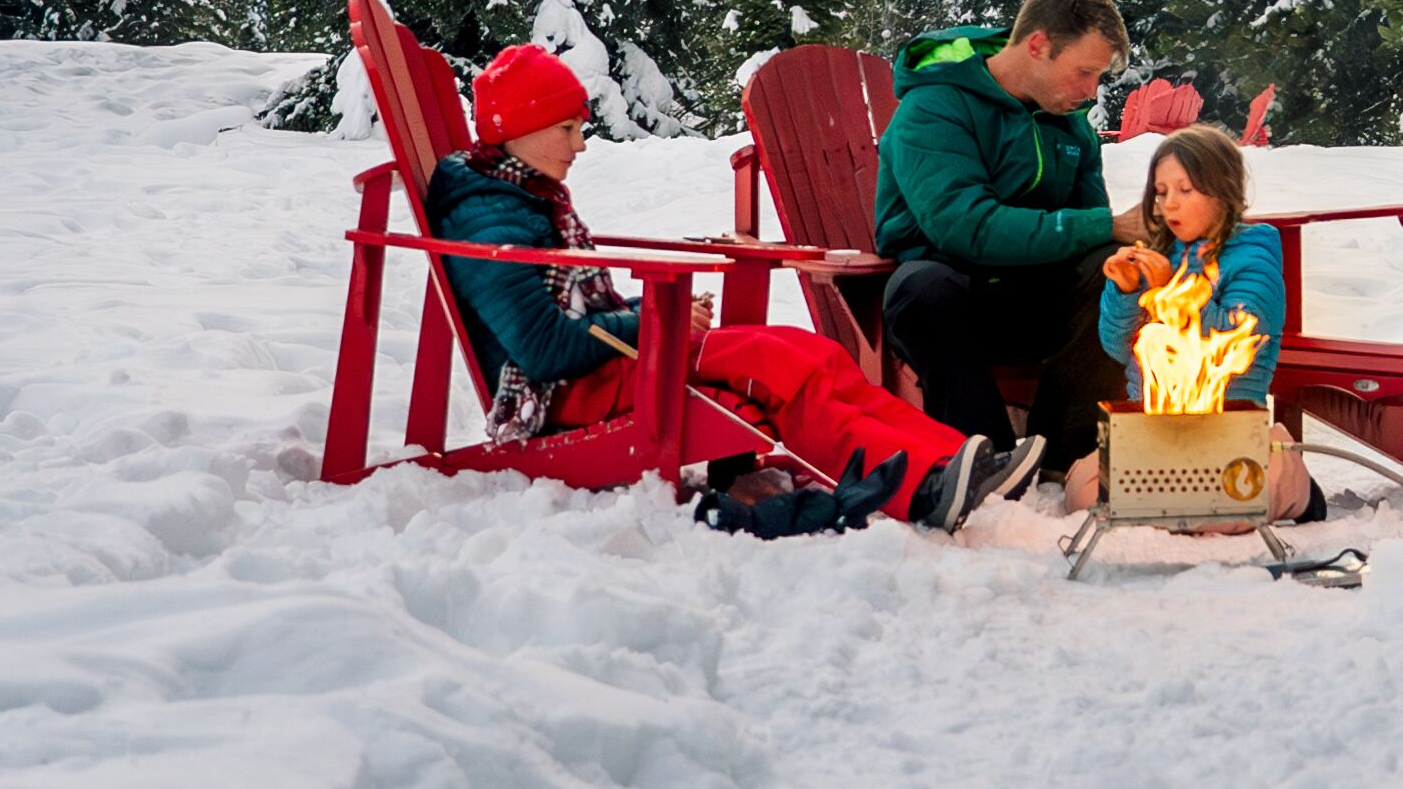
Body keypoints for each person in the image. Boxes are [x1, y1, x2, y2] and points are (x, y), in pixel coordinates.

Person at [428, 43, 1041, 533]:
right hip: (572, 394)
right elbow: (543, 350)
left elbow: (571, 322)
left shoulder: (519, 198)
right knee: (775, 363)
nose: (580, 144)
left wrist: (652, 317)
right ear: (521, 128)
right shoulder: (488, 216)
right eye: (565, 128)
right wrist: (652, 319)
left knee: (812, 352)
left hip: (612, 367)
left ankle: (957, 457)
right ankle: (926, 485)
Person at [873, 0, 1138, 471]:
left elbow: (1089, 229)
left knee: (1115, 272)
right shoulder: (933, 108)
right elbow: (964, 228)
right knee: (923, 289)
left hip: (1036, 301)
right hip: (955, 300)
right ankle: (985, 458)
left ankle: (1068, 455)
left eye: (1098, 77)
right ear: (1038, 45)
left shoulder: (1071, 125)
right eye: (1084, 72)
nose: (1090, 92)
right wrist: (1105, 226)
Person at [1060, 124, 1322, 523]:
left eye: (1185, 190)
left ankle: (1292, 490)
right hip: (1152, 428)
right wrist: (1128, 292)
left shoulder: (1253, 255)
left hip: (1228, 429)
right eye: (1162, 192)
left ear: (1223, 190)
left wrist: (1170, 294)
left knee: (1231, 501)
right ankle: (1172, 509)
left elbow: (1242, 337)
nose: (1170, 205)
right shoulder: (1159, 253)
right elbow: (1117, 347)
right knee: (1083, 491)